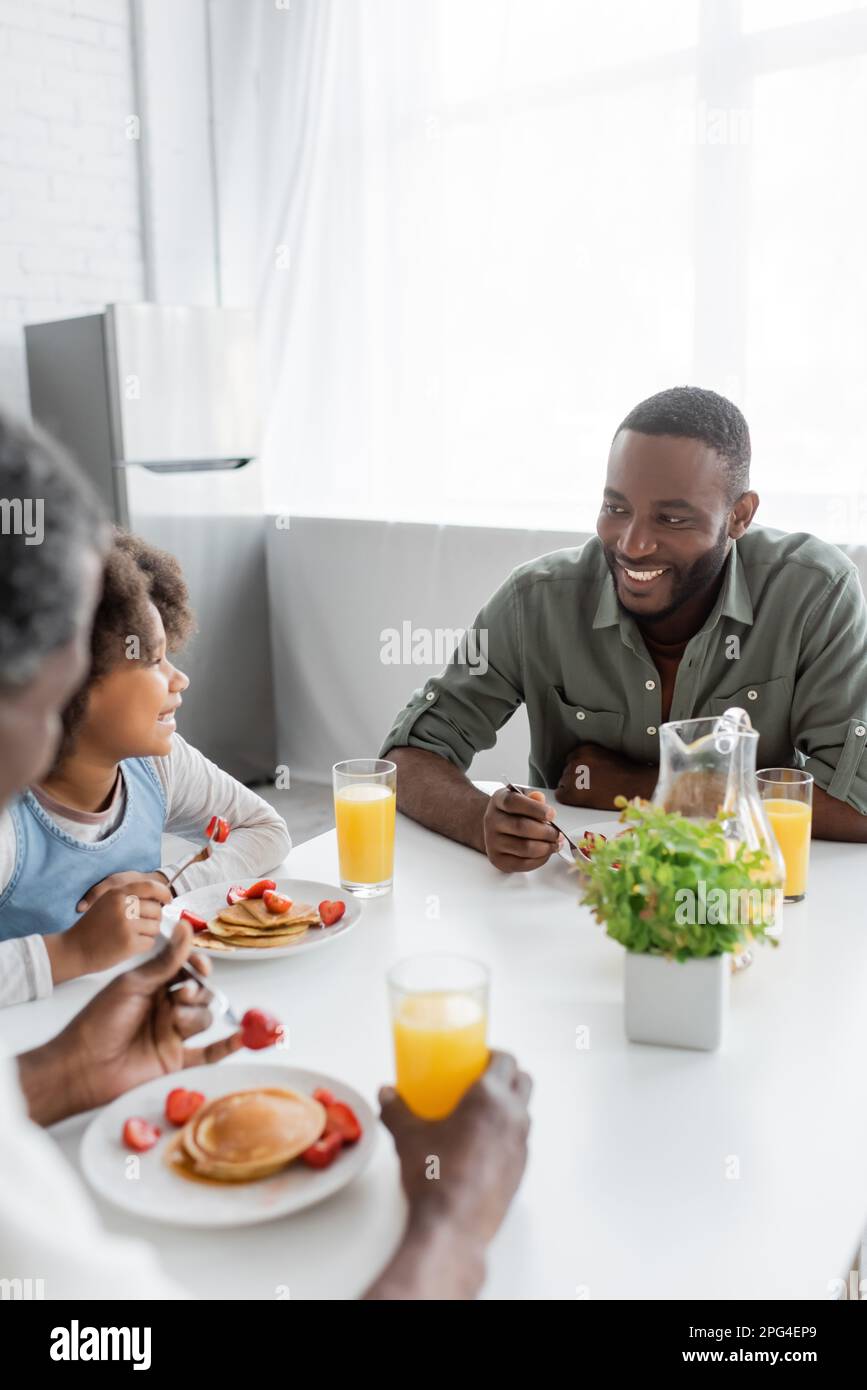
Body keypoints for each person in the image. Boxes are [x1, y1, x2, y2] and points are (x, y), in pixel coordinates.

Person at [0, 411, 530, 1300]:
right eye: (48, 699)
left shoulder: (159, 769)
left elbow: (257, 830)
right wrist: (457, 1216)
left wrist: (55, 1077)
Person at [381, 386, 867, 870]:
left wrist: (639, 788)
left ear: (739, 516)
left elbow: (858, 803)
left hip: (745, 894)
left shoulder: (813, 593)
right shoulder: (536, 601)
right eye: (616, 509)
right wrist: (478, 820)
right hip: (569, 898)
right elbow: (408, 758)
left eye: (672, 518)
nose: (632, 545)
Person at [0, 530, 291, 1005]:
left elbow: (265, 828)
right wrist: (68, 953)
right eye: (153, 660)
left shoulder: (157, 766)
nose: (179, 678)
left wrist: (166, 886)